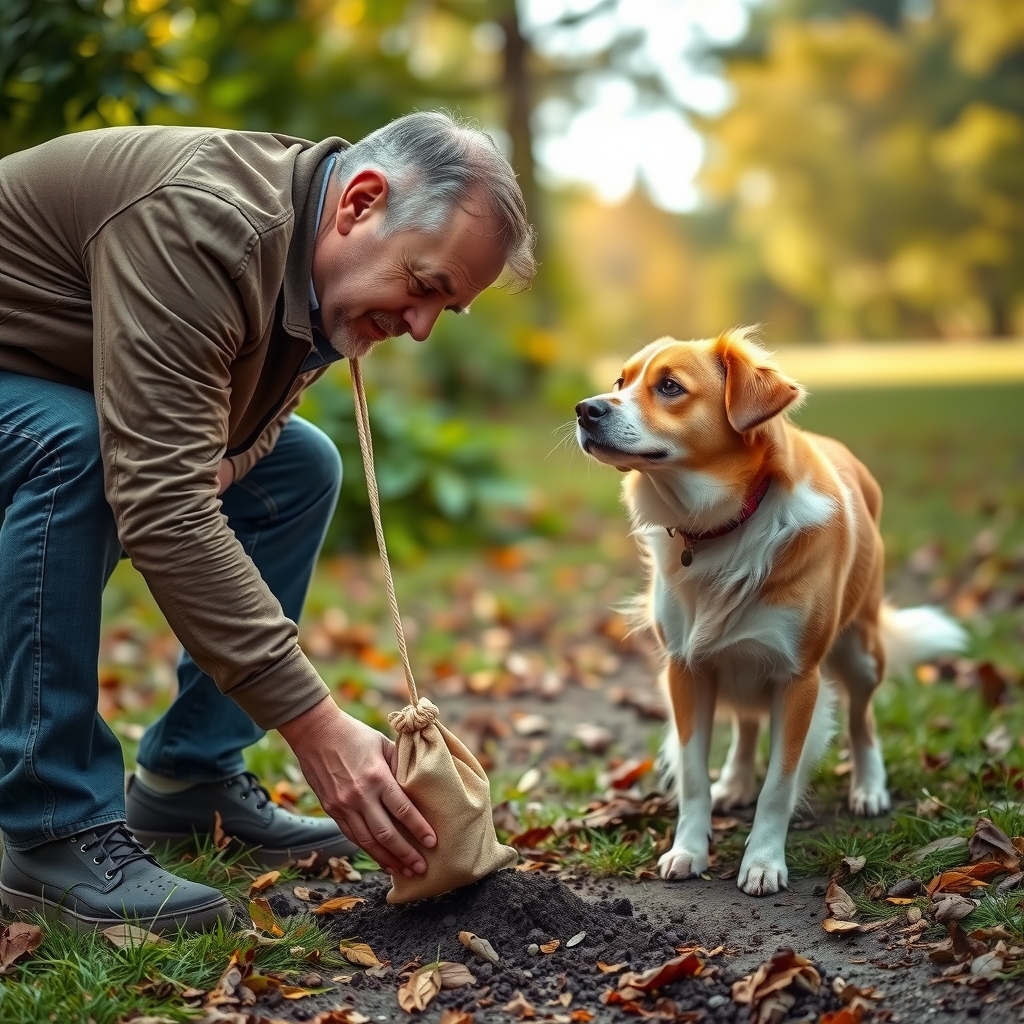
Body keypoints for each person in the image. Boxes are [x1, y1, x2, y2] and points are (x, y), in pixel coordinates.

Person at [0, 112, 535, 932]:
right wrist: (316, 725)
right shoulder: (208, 228)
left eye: (446, 311)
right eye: (424, 287)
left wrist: (213, 463)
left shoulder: (314, 265)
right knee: (77, 448)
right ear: (360, 202)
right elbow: (164, 504)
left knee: (302, 467)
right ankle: (51, 830)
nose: (421, 327)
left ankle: (190, 778)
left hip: (44, 370)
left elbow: (247, 432)